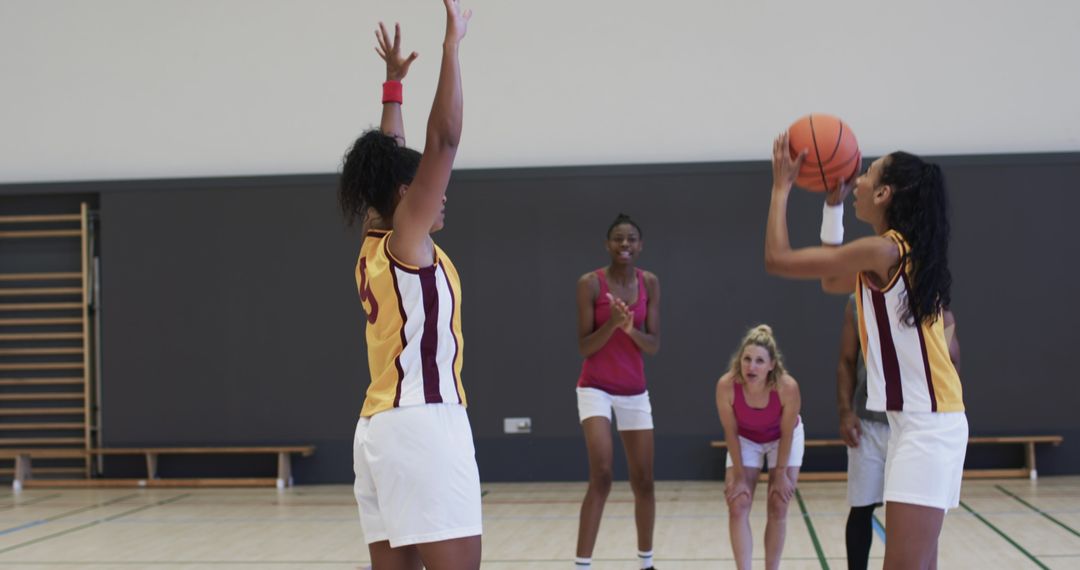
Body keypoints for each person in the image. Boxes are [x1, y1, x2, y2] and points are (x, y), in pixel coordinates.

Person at [765, 132, 967, 569]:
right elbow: (831, 280)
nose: (855, 179)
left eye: (867, 172)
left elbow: (777, 259)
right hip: (921, 423)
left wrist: (781, 187)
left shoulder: (883, 249)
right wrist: (832, 208)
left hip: (928, 427)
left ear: (884, 192)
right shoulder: (892, 253)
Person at [340, 3, 479, 569]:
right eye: (423, 185)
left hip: (376, 432)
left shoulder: (375, 243)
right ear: (405, 195)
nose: (440, 192)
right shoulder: (408, 242)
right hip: (424, 422)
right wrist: (452, 46)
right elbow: (443, 140)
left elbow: (387, 165)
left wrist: (393, 88)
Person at [838, 295, 961, 570]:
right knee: (861, 507)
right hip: (869, 422)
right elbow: (847, 359)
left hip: (918, 427)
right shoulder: (859, 304)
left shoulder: (935, 307)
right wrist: (846, 412)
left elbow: (951, 365)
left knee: (919, 515)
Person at [574, 213, 661, 570]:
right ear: (607, 244)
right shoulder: (590, 284)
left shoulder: (650, 283)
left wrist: (629, 328)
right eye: (618, 239)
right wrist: (611, 323)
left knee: (644, 480)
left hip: (634, 392)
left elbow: (653, 345)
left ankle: (646, 562)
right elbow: (585, 347)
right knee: (604, 474)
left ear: (640, 245)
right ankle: (582, 564)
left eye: (631, 239)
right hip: (595, 389)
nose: (624, 245)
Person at [715, 325, 803, 570]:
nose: (751, 367)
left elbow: (786, 434)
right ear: (739, 360)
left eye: (759, 361)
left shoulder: (787, 387)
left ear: (772, 365)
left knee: (778, 501)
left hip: (782, 438)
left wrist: (782, 474)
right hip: (745, 438)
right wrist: (740, 477)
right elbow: (730, 432)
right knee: (738, 502)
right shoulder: (726, 386)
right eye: (747, 359)